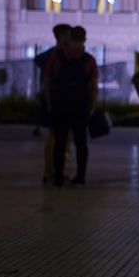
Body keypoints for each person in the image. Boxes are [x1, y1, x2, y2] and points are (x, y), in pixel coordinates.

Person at [44, 25, 98, 186]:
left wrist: (49, 102)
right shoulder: (89, 60)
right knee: (81, 143)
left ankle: (58, 176)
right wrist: (92, 106)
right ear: (84, 39)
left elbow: (47, 81)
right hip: (80, 106)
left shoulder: (57, 57)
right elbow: (93, 86)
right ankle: (80, 177)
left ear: (70, 38)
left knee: (60, 142)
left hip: (60, 104)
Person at [37, 24, 72, 184]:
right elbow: (47, 80)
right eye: (68, 35)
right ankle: (52, 170)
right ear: (62, 36)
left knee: (60, 136)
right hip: (57, 99)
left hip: (54, 99)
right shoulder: (57, 56)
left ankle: (54, 170)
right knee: (57, 136)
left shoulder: (50, 55)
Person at [33, 23, 72, 138]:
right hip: (56, 94)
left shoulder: (57, 54)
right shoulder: (53, 55)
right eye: (67, 35)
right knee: (57, 131)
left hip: (63, 95)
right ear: (61, 36)